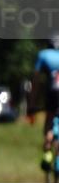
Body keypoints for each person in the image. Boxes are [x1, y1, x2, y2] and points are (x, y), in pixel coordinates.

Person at [32, 34, 59, 170]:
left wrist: (32, 102)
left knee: (49, 122)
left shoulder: (44, 55)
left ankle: (48, 153)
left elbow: (35, 80)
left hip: (53, 94)